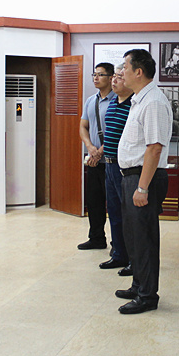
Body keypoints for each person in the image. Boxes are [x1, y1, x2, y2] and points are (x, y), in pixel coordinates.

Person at [115, 49, 172, 314]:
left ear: (138, 72)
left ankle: (148, 296)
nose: (121, 72)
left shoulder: (154, 102)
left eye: (125, 67)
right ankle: (139, 285)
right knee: (133, 237)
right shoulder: (140, 99)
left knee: (145, 238)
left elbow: (154, 147)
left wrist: (142, 187)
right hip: (132, 176)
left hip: (143, 177)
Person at [99, 63, 134, 274]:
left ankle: (133, 258)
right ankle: (118, 254)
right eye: (114, 76)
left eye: (120, 77)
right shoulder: (113, 103)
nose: (114, 80)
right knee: (113, 212)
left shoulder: (133, 105)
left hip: (124, 167)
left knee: (129, 214)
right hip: (109, 164)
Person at [77, 62, 115, 251]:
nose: (96, 78)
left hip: (111, 161)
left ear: (111, 77)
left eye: (100, 74)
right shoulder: (91, 101)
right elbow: (83, 126)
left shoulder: (118, 101)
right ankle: (96, 238)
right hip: (93, 161)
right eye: (94, 74)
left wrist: (100, 151)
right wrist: (90, 147)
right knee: (94, 202)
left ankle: (118, 243)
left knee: (114, 204)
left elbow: (118, 132)